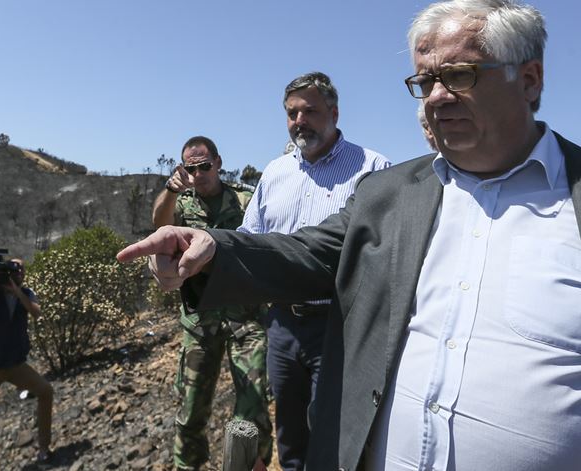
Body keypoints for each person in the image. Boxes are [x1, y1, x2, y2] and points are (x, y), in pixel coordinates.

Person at [118, 0, 581, 469]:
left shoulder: (375, 169)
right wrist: (212, 248)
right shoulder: (391, 194)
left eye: (459, 75)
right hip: (286, 332)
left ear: (529, 79)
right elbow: (308, 251)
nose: (437, 97)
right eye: (424, 82)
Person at [238, 72, 389, 470]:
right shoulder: (274, 173)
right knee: (289, 435)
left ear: (334, 113)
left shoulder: (372, 167)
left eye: (310, 110)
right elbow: (250, 237)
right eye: (292, 113)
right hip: (282, 326)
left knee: (333, 434)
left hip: (339, 326)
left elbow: (382, 251)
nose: (299, 120)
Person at [152, 135, 272, 470]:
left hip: (245, 319)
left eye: (205, 166)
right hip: (200, 321)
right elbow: (159, 224)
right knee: (191, 409)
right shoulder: (181, 202)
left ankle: (255, 464)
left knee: (252, 407)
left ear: (218, 163)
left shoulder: (245, 199)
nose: (199, 173)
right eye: (192, 168)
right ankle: (188, 465)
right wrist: (172, 190)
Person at [0, 257, 53, 470]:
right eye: (13, 269)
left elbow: (35, 312)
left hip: (15, 364)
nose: (17, 272)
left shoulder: (27, 294)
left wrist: (17, 292)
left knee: (45, 391)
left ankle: (44, 448)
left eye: (21, 269)